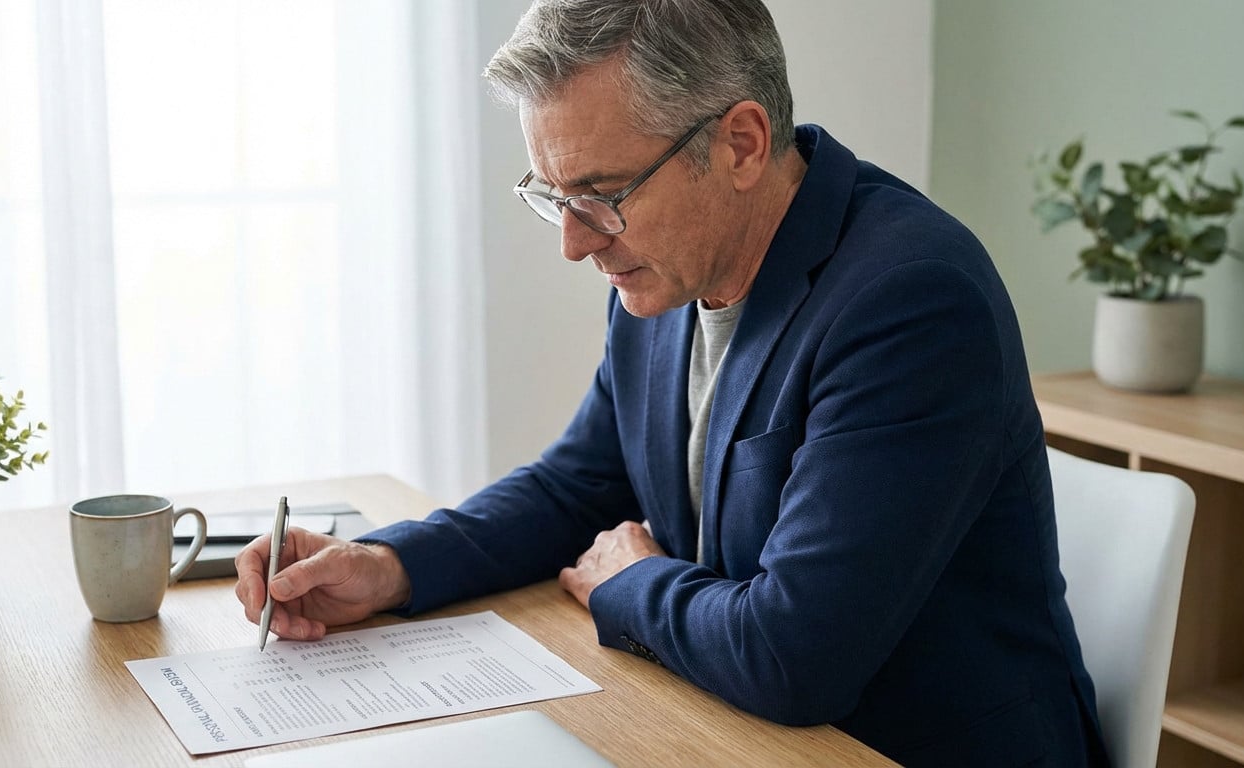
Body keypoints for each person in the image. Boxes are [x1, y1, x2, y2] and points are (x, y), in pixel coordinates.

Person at [234, 1, 1109, 764]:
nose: (574, 242)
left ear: (740, 144)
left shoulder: (910, 301)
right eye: (553, 195)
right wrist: (388, 566)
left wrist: (631, 583)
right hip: (733, 730)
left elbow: (795, 655)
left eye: (602, 192)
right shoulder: (665, 269)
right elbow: (578, 484)